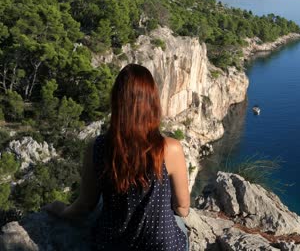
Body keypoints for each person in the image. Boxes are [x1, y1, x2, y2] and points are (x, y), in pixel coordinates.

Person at [42, 64, 190, 251]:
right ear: (152, 103)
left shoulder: (96, 147)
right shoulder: (170, 148)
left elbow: (86, 205)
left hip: (112, 244)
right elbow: (183, 207)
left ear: (116, 101)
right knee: (181, 225)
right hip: (161, 245)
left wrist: (60, 209)